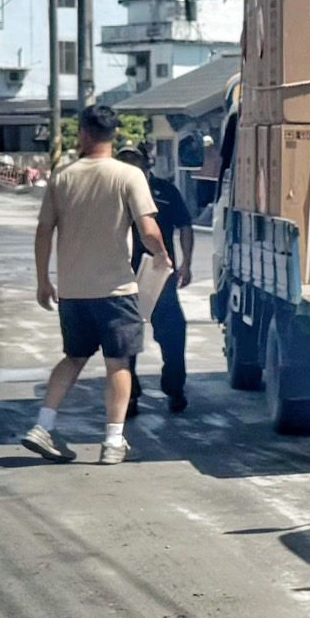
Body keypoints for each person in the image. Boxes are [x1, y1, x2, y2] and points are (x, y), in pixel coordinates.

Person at [22, 106, 171, 465]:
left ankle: (43, 425)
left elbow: (44, 231)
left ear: (84, 135)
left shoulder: (62, 176)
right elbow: (148, 229)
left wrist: (44, 280)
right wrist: (163, 256)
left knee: (73, 357)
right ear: (114, 135)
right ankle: (113, 442)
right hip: (116, 290)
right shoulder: (128, 175)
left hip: (73, 291)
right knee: (118, 363)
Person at [115, 147, 194, 416]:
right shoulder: (111, 192)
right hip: (122, 275)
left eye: (134, 164)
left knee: (173, 333)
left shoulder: (165, 191)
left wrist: (186, 263)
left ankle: (174, 388)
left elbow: (185, 225)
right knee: (126, 338)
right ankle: (131, 395)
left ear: (147, 166)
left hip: (160, 275)